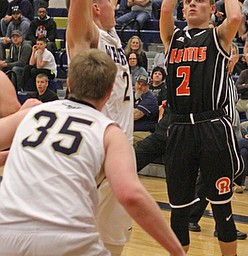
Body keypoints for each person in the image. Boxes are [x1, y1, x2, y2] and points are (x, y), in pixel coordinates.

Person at [0, 48, 185, 256]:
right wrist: (177, 251)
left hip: (7, 234)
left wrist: (13, 152)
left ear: (68, 83)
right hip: (67, 239)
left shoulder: (34, 113)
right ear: (109, 92)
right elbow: (130, 195)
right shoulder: (110, 132)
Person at [160, 0, 242, 255]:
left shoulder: (217, 35)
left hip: (211, 125)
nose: (192, 4)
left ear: (212, 10)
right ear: (182, 10)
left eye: (199, 1)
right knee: (178, 211)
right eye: (187, 2)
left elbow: (236, 16)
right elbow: (164, 9)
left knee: (221, 208)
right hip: (180, 125)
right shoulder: (172, 37)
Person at [65, 0, 135, 255]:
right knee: (76, 239)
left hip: (122, 149)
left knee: (112, 243)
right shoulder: (89, 37)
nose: (115, 4)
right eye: (109, 1)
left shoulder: (113, 38)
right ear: (94, 7)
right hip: (96, 152)